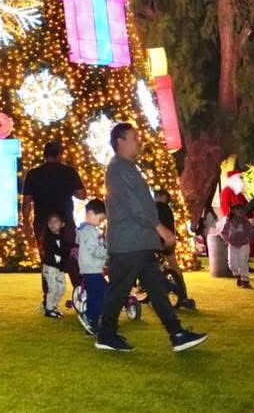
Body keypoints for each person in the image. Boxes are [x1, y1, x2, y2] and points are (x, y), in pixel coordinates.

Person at [96, 123, 207, 353]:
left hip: (137, 242)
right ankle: (106, 334)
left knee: (155, 289)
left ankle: (176, 334)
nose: (138, 141)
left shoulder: (126, 168)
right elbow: (133, 206)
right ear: (120, 141)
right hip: (130, 243)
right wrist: (160, 228)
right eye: (134, 137)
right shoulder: (119, 169)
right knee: (121, 291)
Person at [21, 140, 86, 304]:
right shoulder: (69, 171)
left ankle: (48, 298)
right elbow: (82, 194)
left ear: (44, 155)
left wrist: (26, 224)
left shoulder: (33, 173)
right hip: (65, 223)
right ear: (59, 155)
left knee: (48, 260)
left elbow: (27, 201)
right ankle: (81, 294)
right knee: (72, 257)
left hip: (43, 223)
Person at [76, 199, 108, 336]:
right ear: (90, 213)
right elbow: (94, 250)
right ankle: (90, 318)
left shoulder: (84, 230)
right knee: (103, 293)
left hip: (90, 269)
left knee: (94, 296)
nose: (100, 223)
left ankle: (92, 322)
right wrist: (108, 253)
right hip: (92, 269)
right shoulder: (90, 231)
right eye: (100, 219)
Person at [41, 211, 72, 318]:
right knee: (53, 288)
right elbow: (55, 250)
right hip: (50, 267)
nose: (52, 224)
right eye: (50, 221)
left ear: (62, 224)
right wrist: (67, 251)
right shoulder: (48, 238)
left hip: (59, 268)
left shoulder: (62, 238)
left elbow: (66, 248)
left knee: (62, 288)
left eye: (56, 221)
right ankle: (49, 309)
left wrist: (73, 248)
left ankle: (54, 306)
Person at [219, 204, 254, 288]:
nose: (240, 211)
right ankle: (238, 276)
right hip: (232, 245)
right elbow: (223, 232)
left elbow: (251, 231)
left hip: (243, 244)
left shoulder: (245, 222)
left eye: (241, 209)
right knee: (232, 264)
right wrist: (227, 240)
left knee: (243, 262)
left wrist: (248, 239)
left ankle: (245, 281)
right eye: (237, 209)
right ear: (233, 211)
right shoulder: (228, 222)